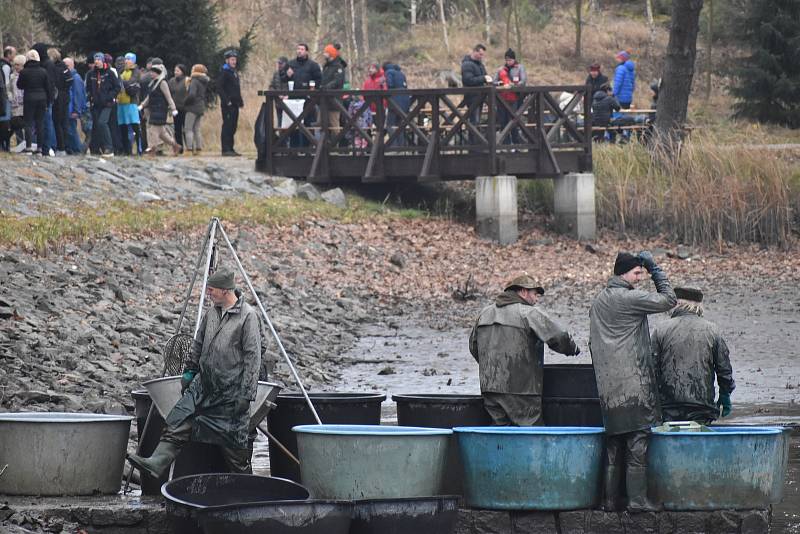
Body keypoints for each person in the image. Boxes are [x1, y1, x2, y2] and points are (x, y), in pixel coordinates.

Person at [127, 270, 262, 477]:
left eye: (212, 289)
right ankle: (157, 462)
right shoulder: (212, 313)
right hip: (203, 385)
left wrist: (247, 394)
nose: (208, 293)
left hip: (230, 391)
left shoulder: (247, 316)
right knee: (178, 420)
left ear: (226, 291)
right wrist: (190, 371)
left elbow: (253, 358)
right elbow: (198, 345)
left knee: (234, 447)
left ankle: (249, 488)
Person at [589, 251, 676, 512]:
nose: (641, 278)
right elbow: (669, 300)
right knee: (638, 440)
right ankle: (637, 501)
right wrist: (654, 267)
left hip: (607, 387)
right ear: (623, 273)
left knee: (614, 443)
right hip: (632, 384)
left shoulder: (599, 301)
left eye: (643, 272)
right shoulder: (630, 298)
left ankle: (609, 501)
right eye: (637, 273)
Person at [469, 274, 580, 426]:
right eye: (535, 294)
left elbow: (474, 347)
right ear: (522, 292)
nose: (537, 299)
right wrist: (572, 348)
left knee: (500, 435)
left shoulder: (485, 314)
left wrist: (492, 370)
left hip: (490, 389)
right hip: (522, 390)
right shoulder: (528, 313)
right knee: (531, 434)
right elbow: (558, 336)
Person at [652, 287, 735, 424]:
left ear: (676, 304)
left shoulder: (661, 329)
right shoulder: (712, 330)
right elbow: (724, 368)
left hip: (668, 406)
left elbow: (651, 369)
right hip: (702, 406)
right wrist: (725, 394)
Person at [284, 44, 322, 147]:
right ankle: (294, 149)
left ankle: (307, 149)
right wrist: (287, 76)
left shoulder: (313, 65)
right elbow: (282, 79)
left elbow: (319, 79)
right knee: (293, 124)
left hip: (308, 99)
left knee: (307, 124)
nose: (299, 51)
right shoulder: (290, 64)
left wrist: (313, 88)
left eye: (302, 49)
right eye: (298, 49)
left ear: (306, 52)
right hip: (293, 99)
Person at [138, 63, 180, 155]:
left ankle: (152, 149)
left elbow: (168, 97)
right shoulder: (153, 83)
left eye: (153, 72)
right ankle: (175, 145)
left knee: (153, 130)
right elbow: (149, 97)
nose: (151, 74)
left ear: (158, 73)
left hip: (161, 109)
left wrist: (173, 109)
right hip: (154, 109)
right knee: (162, 133)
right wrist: (142, 105)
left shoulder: (162, 83)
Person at [16, 49, 51, 155]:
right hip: (42, 99)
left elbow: (19, 85)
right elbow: (48, 87)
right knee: (40, 123)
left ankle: (29, 147)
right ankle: (40, 148)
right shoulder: (43, 71)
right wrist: (48, 101)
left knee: (28, 123)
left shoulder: (24, 72)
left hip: (29, 98)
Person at [86, 52, 119, 156]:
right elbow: (88, 88)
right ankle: (99, 147)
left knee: (102, 123)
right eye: (95, 60)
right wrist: (90, 97)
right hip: (96, 104)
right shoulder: (91, 74)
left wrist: (110, 96)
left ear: (103, 61)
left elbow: (117, 87)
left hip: (108, 104)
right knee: (97, 126)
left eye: (99, 60)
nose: (97, 62)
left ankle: (109, 148)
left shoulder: (109, 73)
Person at [494, 48, 527, 145]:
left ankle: (516, 143)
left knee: (513, 121)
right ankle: (506, 143)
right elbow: (494, 82)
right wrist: (499, 83)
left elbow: (523, 81)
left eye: (510, 60)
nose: (508, 62)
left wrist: (513, 85)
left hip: (515, 99)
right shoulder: (501, 70)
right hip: (502, 99)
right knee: (503, 121)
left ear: (514, 59)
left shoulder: (520, 68)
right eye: (506, 60)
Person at [460, 44, 491, 142]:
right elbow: (468, 80)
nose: (482, 56)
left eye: (483, 55)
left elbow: (484, 75)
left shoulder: (480, 64)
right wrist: (483, 78)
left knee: (477, 121)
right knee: (474, 121)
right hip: (472, 97)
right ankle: (473, 145)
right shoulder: (467, 64)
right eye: (480, 54)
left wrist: (488, 80)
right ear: (475, 52)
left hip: (480, 96)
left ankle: (477, 143)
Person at [217, 50, 244, 156]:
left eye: (235, 60)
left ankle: (231, 148)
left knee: (233, 126)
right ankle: (225, 149)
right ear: (227, 60)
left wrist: (240, 101)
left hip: (235, 103)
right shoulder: (224, 71)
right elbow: (219, 87)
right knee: (227, 125)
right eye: (232, 60)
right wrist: (226, 101)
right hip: (228, 104)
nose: (234, 62)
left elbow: (236, 88)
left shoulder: (234, 72)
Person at [116, 53, 142, 156]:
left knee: (135, 125)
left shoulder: (136, 71)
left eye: (129, 59)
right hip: (121, 102)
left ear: (133, 61)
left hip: (131, 102)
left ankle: (139, 149)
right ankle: (127, 150)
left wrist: (121, 82)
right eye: (126, 59)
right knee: (123, 127)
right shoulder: (122, 71)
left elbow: (131, 82)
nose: (126, 61)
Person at [320, 43, 347, 133]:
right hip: (324, 100)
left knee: (334, 125)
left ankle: (336, 146)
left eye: (326, 52)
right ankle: (324, 144)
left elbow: (337, 81)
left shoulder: (339, 67)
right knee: (322, 124)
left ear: (331, 54)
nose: (324, 54)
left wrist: (326, 87)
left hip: (335, 100)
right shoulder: (326, 66)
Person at [184, 64, 210, 155]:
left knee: (188, 128)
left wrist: (185, 102)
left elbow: (192, 95)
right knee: (197, 129)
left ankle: (189, 149)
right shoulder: (203, 81)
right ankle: (199, 149)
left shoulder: (194, 81)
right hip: (200, 106)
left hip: (192, 107)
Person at [63, 57, 87, 154]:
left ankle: (78, 149)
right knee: (68, 130)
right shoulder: (68, 77)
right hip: (68, 109)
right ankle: (71, 149)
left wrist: (77, 110)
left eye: (67, 66)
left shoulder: (76, 78)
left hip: (72, 110)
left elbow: (78, 95)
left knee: (72, 131)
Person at [383, 63, 409, 146]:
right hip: (405, 101)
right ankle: (402, 145)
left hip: (395, 101)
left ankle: (393, 145)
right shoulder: (401, 73)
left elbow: (390, 85)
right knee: (400, 125)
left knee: (390, 124)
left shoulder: (389, 72)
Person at [169, 64, 189, 152]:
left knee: (186, 129)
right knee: (177, 129)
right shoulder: (171, 81)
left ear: (182, 72)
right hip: (175, 109)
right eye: (175, 70)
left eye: (178, 71)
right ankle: (179, 148)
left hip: (185, 108)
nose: (175, 72)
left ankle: (190, 147)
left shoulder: (187, 80)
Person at [9, 54, 26, 150]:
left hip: (25, 104)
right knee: (17, 125)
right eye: (15, 65)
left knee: (26, 125)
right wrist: (11, 97)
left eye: (18, 65)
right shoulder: (12, 77)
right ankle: (20, 145)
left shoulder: (26, 75)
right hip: (15, 105)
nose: (16, 67)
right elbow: (9, 89)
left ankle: (28, 144)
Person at [0, 46, 15, 151]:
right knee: (6, 120)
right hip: (4, 97)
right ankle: (5, 144)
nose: (14, 56)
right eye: (13, 53)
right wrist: (9, 97)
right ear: (8, 54)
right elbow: (6, 83)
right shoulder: (6, 67)